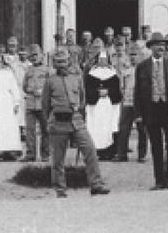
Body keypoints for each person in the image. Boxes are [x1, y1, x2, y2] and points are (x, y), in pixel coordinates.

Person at [42, 49, 110, 198]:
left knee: (90, 150)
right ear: (54, 64)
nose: (61, 65)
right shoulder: (50, 81)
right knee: (58, 159)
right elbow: (45, 105)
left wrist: (77, 112)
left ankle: (96, 184)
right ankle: (60, 189)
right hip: (58, 123)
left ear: (69, 61)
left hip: (76, 121)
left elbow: (82, 98)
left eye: (64, 61)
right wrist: (50, 121)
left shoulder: (76, 78)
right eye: (58, 62)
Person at [134, 31, 168, 190]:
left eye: (163, 45)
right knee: (156, 145)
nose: (160, 48)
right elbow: (137, 93)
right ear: (151, 47)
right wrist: (138, 114)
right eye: (157, 45)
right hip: (151, 109)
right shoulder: (142, 67)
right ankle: (159, 180)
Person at [85, 51, 122, 160]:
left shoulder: (113, 73)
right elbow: (87, 89)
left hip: (108, 105)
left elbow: (117, 90)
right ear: (97, 60)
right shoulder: (92, 74)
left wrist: (108, 91)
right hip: (95, 106)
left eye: (104, 59)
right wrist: (97, 93)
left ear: (108, 60)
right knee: (96, 128)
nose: (102, 61)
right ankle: (95, 152)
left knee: (108, 127)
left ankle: (109, 152)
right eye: (100, 59)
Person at [114, 43, 146, 163]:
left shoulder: (144, 69)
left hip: (141, 103)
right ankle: (122, 154)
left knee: (142, 129)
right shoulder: (125, 69)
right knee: (123, 128)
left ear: (140, 55)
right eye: (131, 54)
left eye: (135, 55)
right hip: (127, 101)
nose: (133, 57)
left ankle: (142, 155)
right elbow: (121, 86)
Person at [21, 45, 50, 162]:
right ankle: (30, 154)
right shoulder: (28, 70)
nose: (34, 58)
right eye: (32, 56)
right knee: (30, 130)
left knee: (46, 130)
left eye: (36, 55)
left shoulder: (48, 70)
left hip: (43, 104)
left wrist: (42, 91)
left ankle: (45, 154)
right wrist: (32, 91)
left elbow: (51, 86)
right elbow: (24, 86)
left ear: (42, 56)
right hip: (31, 103)